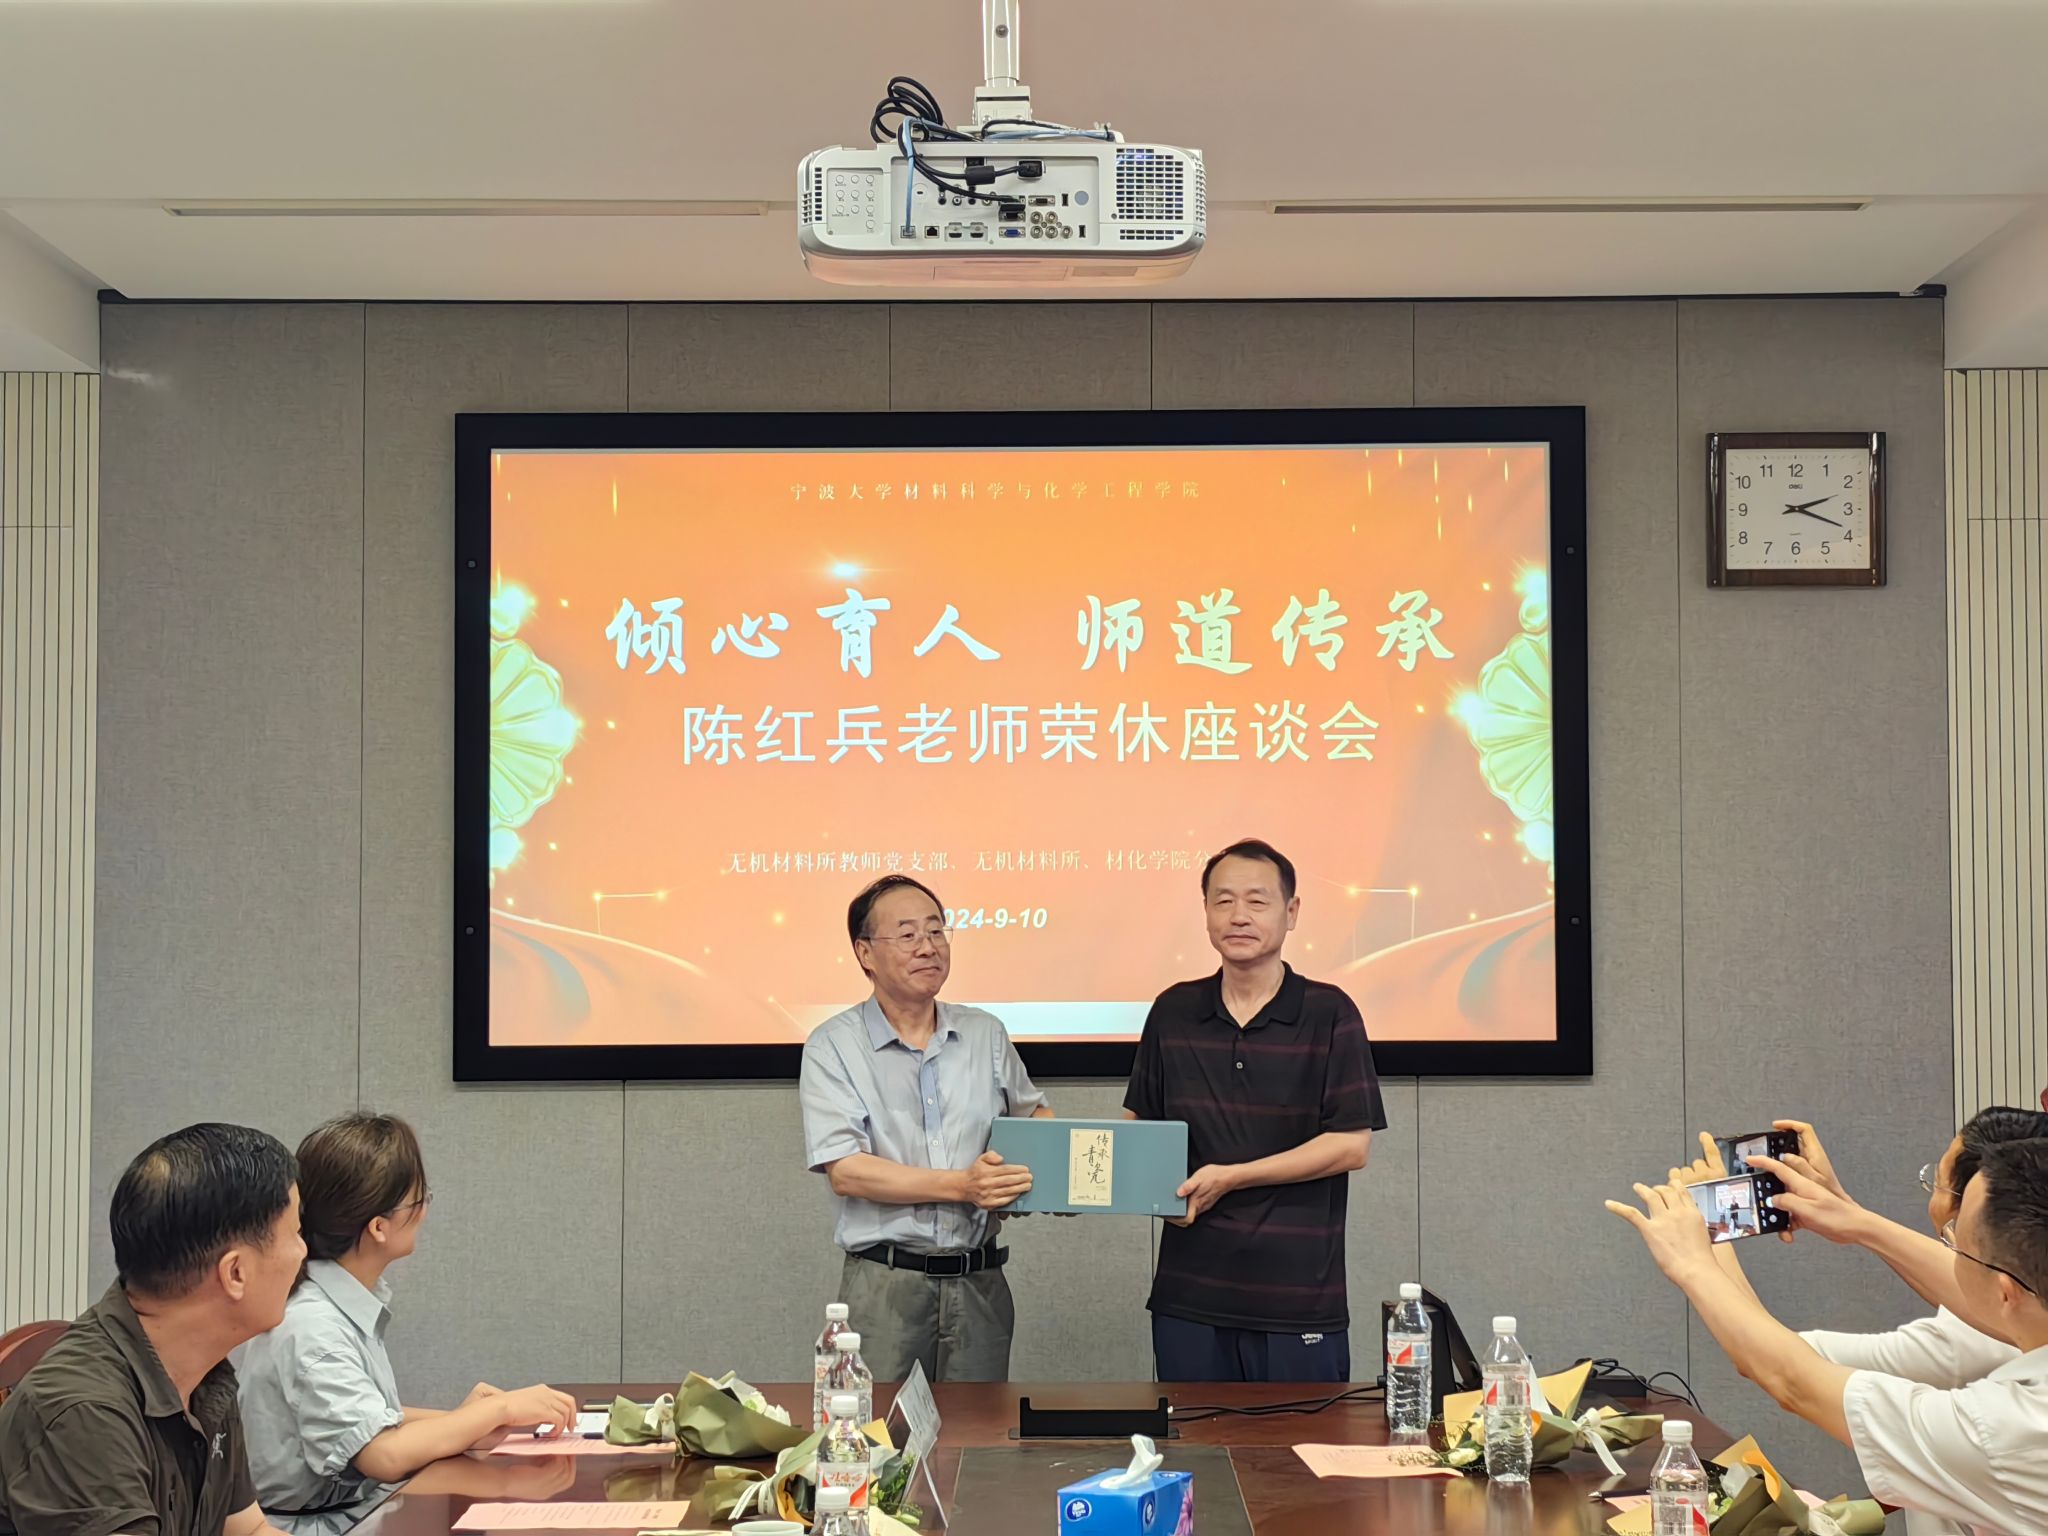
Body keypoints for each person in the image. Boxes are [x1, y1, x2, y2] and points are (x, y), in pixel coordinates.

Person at [1610, 1137, 2048, 1534]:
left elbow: (1790, 1372)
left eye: (1953, 1242)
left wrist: (1692, 1263)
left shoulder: (2005, 1428)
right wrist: (1854, 1220)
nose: (1946, 1251)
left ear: (2005, 1292)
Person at [1125, 838, 1386, 1383]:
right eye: (1222, 901)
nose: (1238, 916)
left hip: (1298, 1299)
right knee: (1191, 1436)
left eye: (1257, 901)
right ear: (1205, 912)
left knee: (1302, 1440)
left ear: (1291, 912)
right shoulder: (1173, 1010)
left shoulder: (1330, 1012)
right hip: (1189, 1297)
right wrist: (1094, 1181)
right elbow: (1139, 1128)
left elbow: (1350, 1146)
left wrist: (1232, 1177)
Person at [232, 1113, 576, 1512]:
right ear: (378, 1227)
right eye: (419, 1199)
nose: (424, 1211)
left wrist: (469, 1421)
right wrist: (497, 1410)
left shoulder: (330, 1304)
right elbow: (383, 1454)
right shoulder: (313, 1326)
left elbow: (370, 1420)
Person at [800, 874, 1055, 1383]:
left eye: (937, 931)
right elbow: (847, 1170)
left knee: (979, 1431)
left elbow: (1036, 1119)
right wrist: (965, 1185)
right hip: (886, 1285)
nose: (927, 947)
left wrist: (1035, 1179)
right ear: (865, 953)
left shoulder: (985, 1033)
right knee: (876, 1427)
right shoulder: (833, 1046)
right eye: (908, 934)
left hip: (979, 1283)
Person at [0, 1123, 304, 1536]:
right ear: (235, 1272)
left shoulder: (203, 1373)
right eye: (295, 1233)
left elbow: (247, 1530)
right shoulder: (85, 1416)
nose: (303, 1252)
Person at [1672, 1108, 2048, 1395]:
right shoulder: (2015, 1305)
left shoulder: (1974, 1346)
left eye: (1936, 1183)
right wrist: (1848, 1213)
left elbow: (1773, 1361)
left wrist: (1708, 1235)